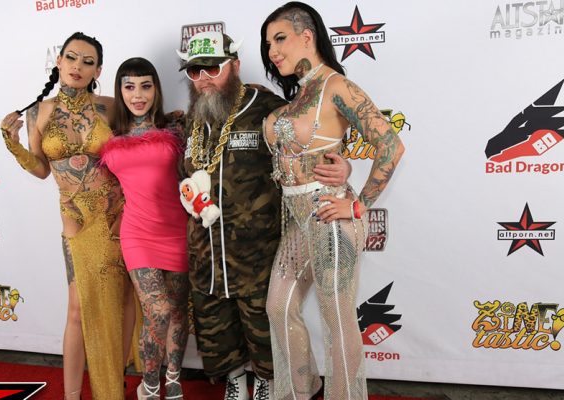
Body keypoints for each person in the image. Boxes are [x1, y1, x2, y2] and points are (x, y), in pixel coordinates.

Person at [177, 31, 352, 400]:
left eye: (213, 68)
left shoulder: (268, 109)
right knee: (215, 326)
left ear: (235, 66)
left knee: (263, 326)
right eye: (194, 71)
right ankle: (235, 380)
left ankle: (267, 382)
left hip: (256, 254)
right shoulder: (193, 116)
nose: (204, 78)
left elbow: (311, 143)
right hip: (207, 254)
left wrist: (342, 166)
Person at [260, 3, 405, 399]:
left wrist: (359, 206)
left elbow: (391, 145)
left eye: (280, 38)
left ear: (307, 35)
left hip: (329, 214)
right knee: (278, 306)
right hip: (296, 218)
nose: (272, 50)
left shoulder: (336, 86)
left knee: (336, 317)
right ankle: (302, 390)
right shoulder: (298, 94)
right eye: (268, 43)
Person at [0, 32, 137, 400]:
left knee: (124, 302)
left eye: (88, 62)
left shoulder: (112, 107)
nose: (78, 67)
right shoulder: (37, 112)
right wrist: (13, 146)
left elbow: (134, 155)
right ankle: (72, 395)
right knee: (76, 310)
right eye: (72, 58)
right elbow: (42, 170)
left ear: (98, 71)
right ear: (58, 61)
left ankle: (115, 381)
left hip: (116, 218)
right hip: (75, 223)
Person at [99, 57, 189, 400]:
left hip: (177, 229)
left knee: (178, 310)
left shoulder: (176, 129)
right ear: (119, 91)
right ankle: (149, 383)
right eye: (129, 87)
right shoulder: (109, 135)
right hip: (137, 233)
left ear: (156, 89)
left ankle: (174, 378)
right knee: (158, 310)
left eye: (146, 86)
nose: (138, 95)